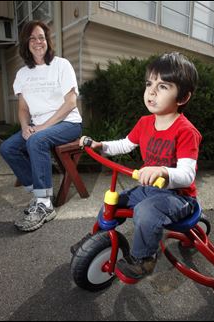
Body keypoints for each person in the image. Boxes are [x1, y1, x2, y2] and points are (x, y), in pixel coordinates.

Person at [79, 52, 202, 282]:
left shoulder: (186, 131)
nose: (152, 92)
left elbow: (187, 175)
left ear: (183, 97)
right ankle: (95, 239)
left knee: (146, 211)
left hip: (178, 196)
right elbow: (126, 144)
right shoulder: (145, 122)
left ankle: (144, 258)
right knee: (114, 201)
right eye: (149, 84)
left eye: (163, 86)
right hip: (151, 190)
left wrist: (164, 171)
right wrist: (100, 145)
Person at [0, 20, 82, 232]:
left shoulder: (61, 65)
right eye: (33, 38)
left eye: (42, 37)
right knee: (7, 147)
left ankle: (45, 205)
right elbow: (23, 108)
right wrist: (25, 126)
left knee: (36, 140)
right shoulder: (22, 74)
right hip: (38, 125)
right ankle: (39, 193)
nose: (38, 42)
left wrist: (42, 127)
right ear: (26, 43)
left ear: (47, 41)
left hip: (67, 122)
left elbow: (71, 102)